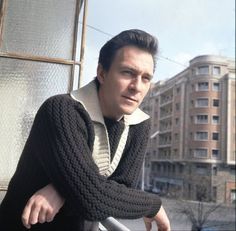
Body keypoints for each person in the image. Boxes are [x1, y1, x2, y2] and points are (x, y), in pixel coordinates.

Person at [0, 29, 171, 231]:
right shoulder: (62, 110)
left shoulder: (139, 124)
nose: (137, 86)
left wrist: (62, 189)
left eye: (146, 78)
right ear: (102, 73)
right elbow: (94, 199)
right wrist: (154, 205)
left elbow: (122, 189)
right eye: (128, 73)